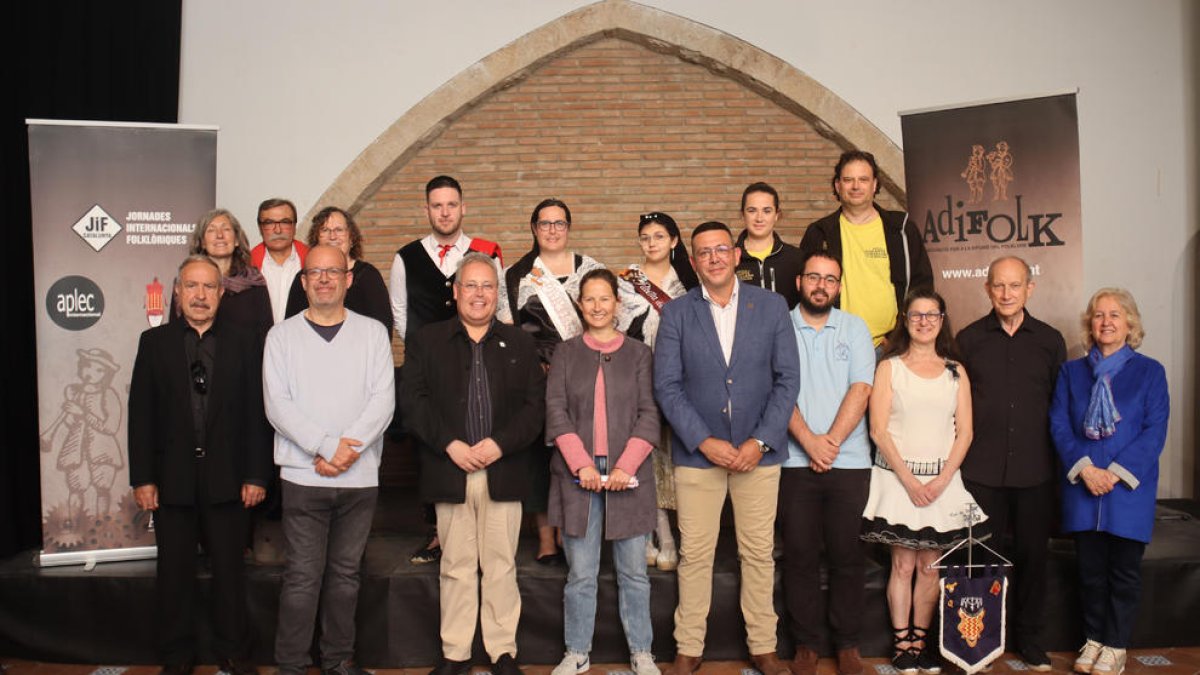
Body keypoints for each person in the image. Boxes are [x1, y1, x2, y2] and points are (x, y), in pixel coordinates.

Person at [653, 221, 800, 675]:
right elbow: (667, 386)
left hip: (760, 454)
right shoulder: (676, 313)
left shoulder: (772, 306)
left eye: (721, 249)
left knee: (756, 553)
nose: (714, 258)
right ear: (693, 261)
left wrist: (760, 441)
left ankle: (763, 646)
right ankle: (688, 648)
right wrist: (704, 440)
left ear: (736, 255)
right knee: (695, 554)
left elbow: (787, 380)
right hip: (699, 457)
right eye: (704, 252)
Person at [401, 252, 544, 675]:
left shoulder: (520, 342)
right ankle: (455, 654)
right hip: (451, 469)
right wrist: (450, 444)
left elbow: (535, 408)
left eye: (487, 287)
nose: (478, 295)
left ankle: (502, 652)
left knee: (501, 564)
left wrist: (499, 444)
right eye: (471, 286)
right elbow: (413, 401)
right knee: (457, 566)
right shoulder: (427, 341)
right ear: (456, 291)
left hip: (504, 468)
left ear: (495, 294)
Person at [128, 255, 272, 675]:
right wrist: (143, 478)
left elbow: (257, 415)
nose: (200, 295)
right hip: (170, 482)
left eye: (209, 287)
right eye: (192, 286)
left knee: (230, 574)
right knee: (173, 577)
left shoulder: (245, 341)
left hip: (230, 480)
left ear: (221, 293)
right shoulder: (152, 344)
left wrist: (256, 474)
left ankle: (234, 652)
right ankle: (176, 655)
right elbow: (141, 416)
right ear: (177, 292)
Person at [264, 244, 395, 675]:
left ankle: (339, 660)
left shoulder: (374, 332)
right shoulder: (280, 337)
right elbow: (277, 405)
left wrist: (344, 449)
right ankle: (292, 665)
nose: (323, 279)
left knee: (345, 576)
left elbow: (383, 402)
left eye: (332, 271)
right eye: (314, 272)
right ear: (303, 282)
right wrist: (324, 447)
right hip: (304, 477)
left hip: (358, 479)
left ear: (348, 279)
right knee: (302, 577)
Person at [860, 289, 981, 675]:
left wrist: (943, 479)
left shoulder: (955, 371)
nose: (924, 321)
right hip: (898, 479)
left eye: (932, 315)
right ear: (906, 320)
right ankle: (902, 646)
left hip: (943, 482)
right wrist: (910, 480)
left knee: (931, 566)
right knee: (902, 564)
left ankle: (921, 642)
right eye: (916, 315)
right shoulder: (888, 368)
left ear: (942, 320)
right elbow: (878, 430)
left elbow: (965, 433)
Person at [547, 269, 661, 675]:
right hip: (578, 478)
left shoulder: (638, 354)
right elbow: (556, 412)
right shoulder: (565, 353)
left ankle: (642, 652)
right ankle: (576, 652)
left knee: (633, 572)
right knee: (581, 573)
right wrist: (581, 463)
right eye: (589, 299)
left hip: (627, 475)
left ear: (618, 303)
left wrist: (624, 466)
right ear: (581, 304)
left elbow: (650, 414)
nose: (597, 306)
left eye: (604, 299)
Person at [1050, 288, 1169, 675]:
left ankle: (1116, 646)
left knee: (1123, 573)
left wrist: (1114, 474)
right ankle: (1094, 640)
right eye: (1099, 315)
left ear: (1130, 323)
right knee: (1090, 573)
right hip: (1083, 487)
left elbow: (1154, 430)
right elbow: (1059, 425)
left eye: (1115, 315)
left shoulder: (1150, 372)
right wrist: (1085, 469)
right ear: (1090, 324)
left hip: (1127, 491)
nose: (1106, 322)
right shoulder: (1071, 373)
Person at [957, 256, 1066, 671]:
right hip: (980, 471)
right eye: (998, 286)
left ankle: (1031, 640)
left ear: (1029, 289)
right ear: (987, 289)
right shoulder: (968, 340)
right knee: (979, 561)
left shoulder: (1050, 340)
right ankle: (978, 641)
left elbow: (1059, 406)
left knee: (1033, 559)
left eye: (1014, 286)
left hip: (1035, 471)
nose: (1006, 294)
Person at [390, 175, 504, 565]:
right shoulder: (405, 256)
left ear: (463, 207)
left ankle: (478, 531)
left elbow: (497, 304)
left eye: (451, 205)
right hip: (430, 367)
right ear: (427, 210)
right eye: (436, 205)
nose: (444, 212)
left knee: (476, 438)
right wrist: (426, 354)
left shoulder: (485, 252)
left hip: (478, 363)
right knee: (432, 447)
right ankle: (436, 533)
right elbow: (400, 314)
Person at [781, 251, 875, 675]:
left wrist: (830, 443)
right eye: (814, 277)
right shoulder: (778, 325)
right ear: (800, 281)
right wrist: (809, 442)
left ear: (839, 286)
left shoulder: (855, 328)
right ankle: (806, 646)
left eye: (830, 279)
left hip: (850, 462)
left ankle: (848, 645)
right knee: (799, 556)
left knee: (847, 556)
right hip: (792, 463)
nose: (821, 285)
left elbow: (861, 388)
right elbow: (776, 390)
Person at [501, 198, 604, 564]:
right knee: (540, 457)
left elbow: (606, 319)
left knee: (578, 453)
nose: (552, 230)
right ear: (533, 228)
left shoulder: (591, 268)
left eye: (559, 223)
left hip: (586, 373)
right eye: (545, 224)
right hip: (537, 375)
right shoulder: (517, 275)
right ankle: (546, 535)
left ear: (569, 227)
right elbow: (508, 332)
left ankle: (573, 529)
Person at [616, 211, 698, 571]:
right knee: (642, 459)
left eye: (659, 236)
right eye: (645, 237)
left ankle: (672, 537)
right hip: (636, 380)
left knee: (671, 461)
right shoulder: (625, 282)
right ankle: (652, 535)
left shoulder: (687, 285)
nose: (652, 243)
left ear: (674, 241)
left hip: (679, 381)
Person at [800, 150, 932, 349]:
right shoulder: (819, 233)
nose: (855, 186)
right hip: (834, 345)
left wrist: (901, 334)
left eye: (863, 179)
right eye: (848, 180)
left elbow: (922, 286)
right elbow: (804, 289)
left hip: (888, 346)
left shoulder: (901, 229)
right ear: (838, 185)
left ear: (875, 184)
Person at [284, 206, 392, 335]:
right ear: (316, 238)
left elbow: (383, 328)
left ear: (351, 238)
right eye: (325, 230)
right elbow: (291, 328)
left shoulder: (368, 276)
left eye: (339, 230)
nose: (333, 236)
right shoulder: (305, 277)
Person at [171, 209, 272, 339]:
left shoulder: (254, 281)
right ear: (202, 242)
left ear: (236, 240)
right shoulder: (185, 280)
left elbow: (266, 335)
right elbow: (173, 333)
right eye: (211, 230)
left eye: (226, 230)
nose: (219, 235)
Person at [734, 182, 804, 309]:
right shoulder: (730, 259)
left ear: (777, 215)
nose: (759, 218)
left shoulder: (797, 258)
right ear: (742, 214)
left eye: (767, 211)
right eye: (752, 210)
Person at [253, 197, 309, 325]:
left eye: (285, 222)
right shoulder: (245, 266)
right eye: (269, 223)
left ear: (294, 226)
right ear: (260, 228)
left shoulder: (312, 262)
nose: (277, 230)